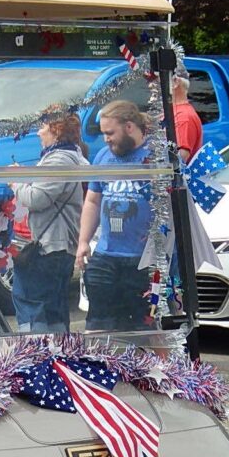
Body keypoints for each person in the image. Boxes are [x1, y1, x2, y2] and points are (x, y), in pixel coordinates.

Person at [75, 100, 154, 332]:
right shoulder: (103, 156)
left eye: (110, 133)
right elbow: (92, 200)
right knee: (98, 324)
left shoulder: (155, 156)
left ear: (129, 127)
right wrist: (83, 241)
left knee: (145, 326)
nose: (106, 139)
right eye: (104, 134)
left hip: (143, 257)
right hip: (106, 254)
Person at [9, 106, 89, 333]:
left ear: (57, 130)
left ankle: (35, 349)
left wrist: (15, 182)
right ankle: (60, 349)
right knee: (55, 307)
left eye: (43, 126)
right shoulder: (72, 156)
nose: (39, 132)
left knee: (29, 301)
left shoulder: (58, 160)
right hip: (63, 245)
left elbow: (36, 198)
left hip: (50, 245)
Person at [171, 64, 202, 163]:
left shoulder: (183, 117)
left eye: (156, 80)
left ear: (175, 82)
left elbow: (179, 160)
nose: (150, 85)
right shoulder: (175, 112)